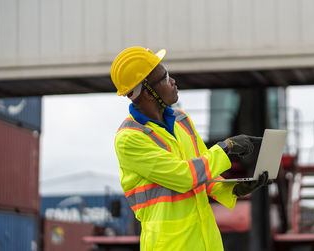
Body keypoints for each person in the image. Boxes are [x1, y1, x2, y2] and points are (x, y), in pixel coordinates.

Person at [111, 46, 269, 251]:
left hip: (206, 243)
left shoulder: (182, 121)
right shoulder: (130, 138)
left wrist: (234, 188)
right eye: (165, 77)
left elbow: (204, 172)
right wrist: (226, 147)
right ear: (148, 93)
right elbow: (185, 177)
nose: (173, 81)